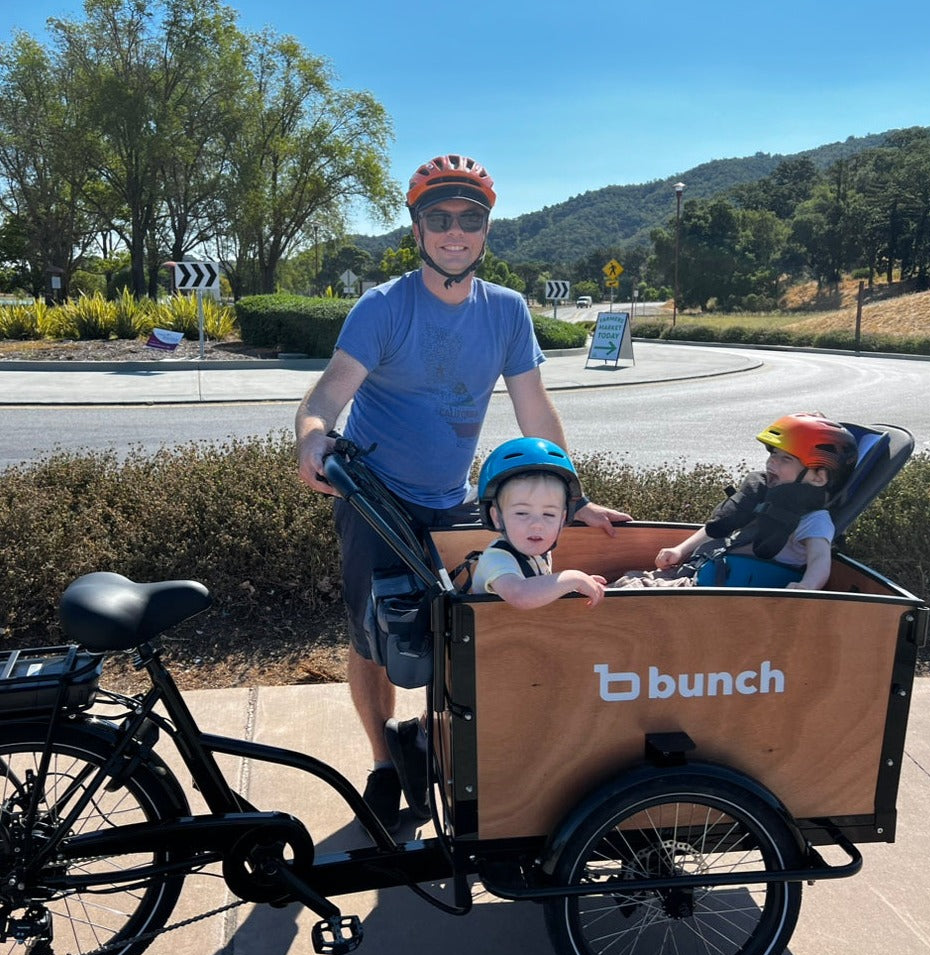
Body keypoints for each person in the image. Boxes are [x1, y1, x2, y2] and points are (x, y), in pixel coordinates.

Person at [295, 153, 631, 832]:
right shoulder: (383, 306)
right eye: (438, 217)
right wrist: (311, 434)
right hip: (375, 499)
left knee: (457, 633)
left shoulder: (505, 312)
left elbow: (534, 407)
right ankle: (383, 763)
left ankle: (430, 745)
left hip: (451, 499)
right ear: (416, 228)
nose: (455, 231)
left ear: (484, 230)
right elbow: (331, 388)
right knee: (373, 639)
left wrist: (572, 496)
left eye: (469, 219)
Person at [614, 413, 858, 591]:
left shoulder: (814, 520)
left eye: (785, 459)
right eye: (772, 455)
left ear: (818, 477)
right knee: (628, 581)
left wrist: (806, 586)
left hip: (727, 589)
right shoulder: (766, 495)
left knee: (632, 591)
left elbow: (819, 560)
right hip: (710, 574)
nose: (772, 463)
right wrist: (680, 549)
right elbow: (718, 527)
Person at [471, 438, 607, 608]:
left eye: (549, 514)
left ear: (562, 518)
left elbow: (539, 590)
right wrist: (573, 578)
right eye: (522, 513)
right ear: (497, 517)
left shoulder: (539, 550)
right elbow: (521, 595)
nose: (537, 524)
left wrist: (572, 587)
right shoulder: (496, 559)